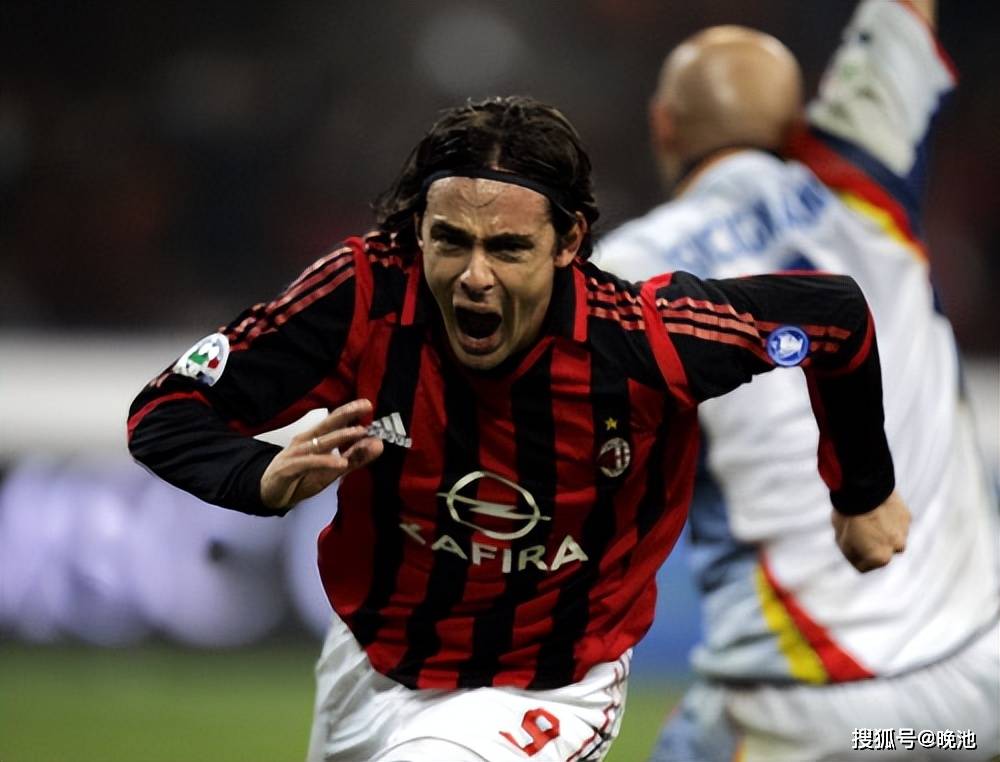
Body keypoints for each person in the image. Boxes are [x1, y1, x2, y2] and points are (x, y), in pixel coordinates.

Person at [127, 95, 909, 762]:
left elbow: (832, 320)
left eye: (507, 248)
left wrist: (862, 492)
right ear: (418, 229)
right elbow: (164, 412)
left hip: (545, 690)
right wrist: (259, 478)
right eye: (450, 241)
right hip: (367, 668)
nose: (475, 277)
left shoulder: (644, 341)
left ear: (568, 242)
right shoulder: (363, 295)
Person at [593, 2, 999, 761]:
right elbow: (902, 17)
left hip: (806, 710)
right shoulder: (865, 182)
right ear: (793, 124)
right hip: (975, 698)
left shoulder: (626, 275)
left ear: (663, 126)